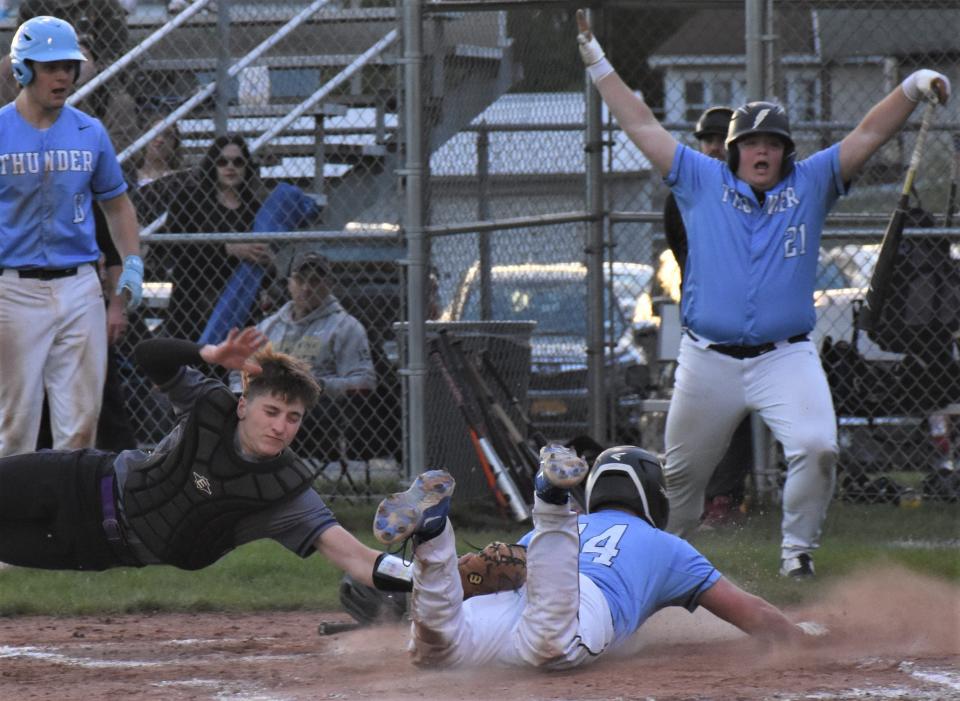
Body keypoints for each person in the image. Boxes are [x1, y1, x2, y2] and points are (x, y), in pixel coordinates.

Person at [575, 10, 951, 578]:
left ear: (785, 152)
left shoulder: (811, 183)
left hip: (786, 356)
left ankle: (796, 553)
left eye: (772, 143)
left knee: (818, 446)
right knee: (681, 479)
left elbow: (868, 133)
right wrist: (598, 62)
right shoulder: (700, 181)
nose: (761, 151)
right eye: (749, 142)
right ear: (730, 151)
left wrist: (910, 85)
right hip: (707, 361)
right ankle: (657, 564)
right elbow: (641, 125)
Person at [0, 326, 413, 595]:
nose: (280, 427)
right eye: (271, 412)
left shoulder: (285, 494)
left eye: (293, 418)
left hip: (94, 546)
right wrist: (209, 354)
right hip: (77, 479)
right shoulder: (209, 405)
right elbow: (149, 353)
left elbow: (357, 558)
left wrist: (431, 579)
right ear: (243, 406)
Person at [373, 444, 826, 669]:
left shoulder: (578, 528)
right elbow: (752, 614)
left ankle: (433, 535)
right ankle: (550, 499)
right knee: (550, 645)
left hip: (512, 596)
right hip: (577, 602)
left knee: (437, 649)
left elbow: (507, 567)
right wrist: (798, 636)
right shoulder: (670, 547)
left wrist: (452, 577)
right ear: (655, 496)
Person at [0, 15, 143, 457]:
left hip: (80, 285)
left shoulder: (89, 131)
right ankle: (13, 524)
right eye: (49, 66)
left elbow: (117, 205)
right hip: (13, 288)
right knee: (14, 426)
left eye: (68, 65)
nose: (62, 75)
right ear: (22, 70)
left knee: (81, 426)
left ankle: (65, 525)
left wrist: (132, 263)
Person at [662, 106, 751, 527]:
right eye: (707, 139)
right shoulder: (683, 194)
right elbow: (686, 259)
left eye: (721, 139)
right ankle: (696, 494)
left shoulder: (753, 192)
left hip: (750, 317)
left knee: (738, 404)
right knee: (699, 406)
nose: (713, 147)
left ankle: (726, 496)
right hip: (703, 316)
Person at [229, 251, 377, 462]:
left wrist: (319, 385)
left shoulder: (345, 327)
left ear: (329, 285)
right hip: (263, 406)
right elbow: (239, 370)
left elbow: (365, 381)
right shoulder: (269, 326)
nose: (307, 288)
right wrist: (241, 393)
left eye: (316, 281)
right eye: (300, 279)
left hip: (313, 413)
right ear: (289, 283)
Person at [162, 134, 274, 341]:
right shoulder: (189, 199)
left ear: (247, 167)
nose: (230, 167)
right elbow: (175, 248)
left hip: (239, 302)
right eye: (222, 161)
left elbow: (266, 269)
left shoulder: (254, 208)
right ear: (212, 165)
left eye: (238, 162)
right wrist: (227, 249)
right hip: (193, 298)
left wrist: (266, 260)